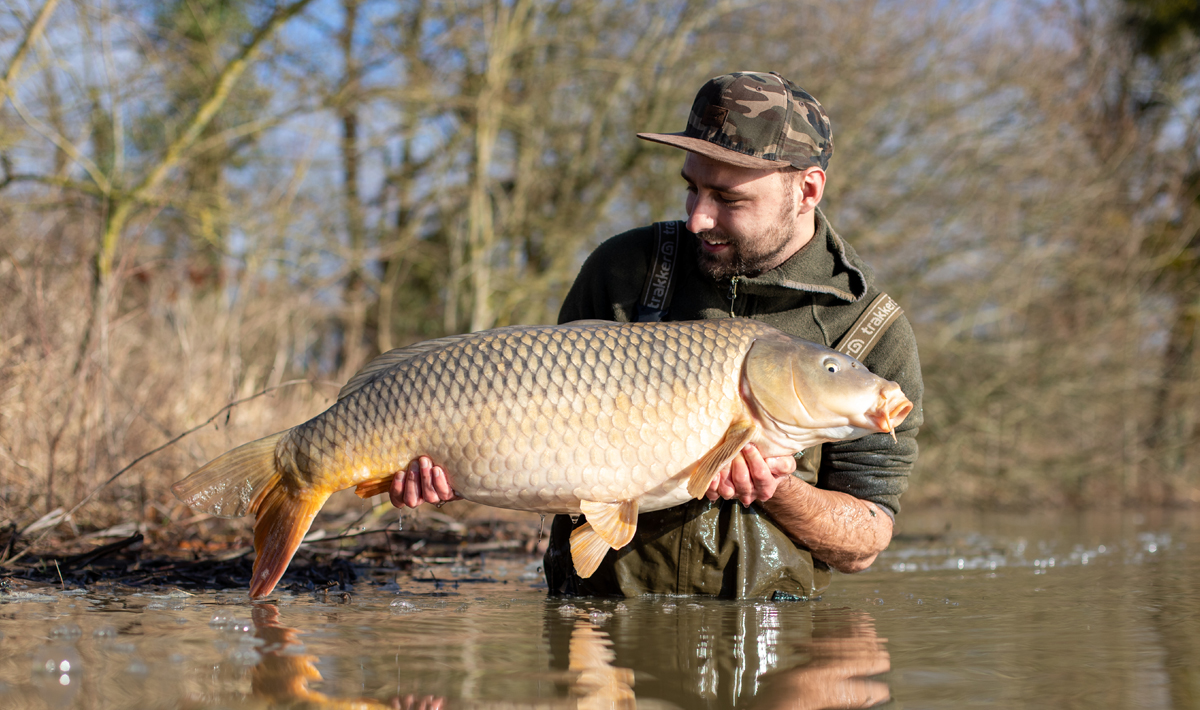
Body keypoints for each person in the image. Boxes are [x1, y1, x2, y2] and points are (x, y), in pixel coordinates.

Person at [388, 71, 924, 599]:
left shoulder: (871, 329)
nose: (697, 218)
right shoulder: (625, 268)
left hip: (768, 641)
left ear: (807, 189)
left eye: (728, 199)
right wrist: (459, 464)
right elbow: (539, 434)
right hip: (593, 618)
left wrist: (777, 489)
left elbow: (866, 540)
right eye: (691, 189)